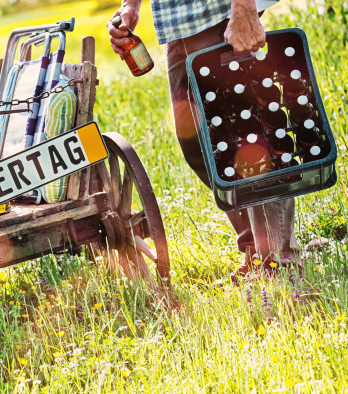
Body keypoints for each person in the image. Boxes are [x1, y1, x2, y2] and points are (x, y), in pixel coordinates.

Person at [107, 0, 298, 279]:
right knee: (198, 145)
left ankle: (277, 260)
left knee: (248, 136)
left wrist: (243, 7)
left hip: (219, 15)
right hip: (177, 24)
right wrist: (131, 6)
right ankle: (255, 252)